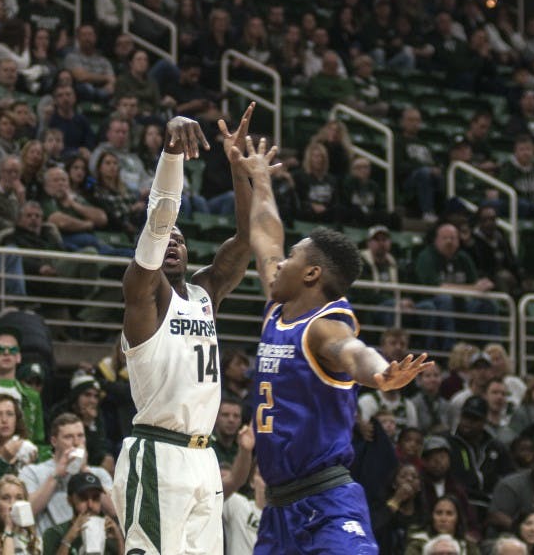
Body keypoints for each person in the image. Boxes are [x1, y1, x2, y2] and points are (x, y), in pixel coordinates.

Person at [231, 134, 431, 554]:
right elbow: (266, 235)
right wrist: (261, 179)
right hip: (279, 510)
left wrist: (379, 373)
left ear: (311, 275)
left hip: (327, 503)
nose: (279, 263)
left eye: (292, 259)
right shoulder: (277, 303)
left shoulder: (324, 326)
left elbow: (353, 352)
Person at [112, 105, 257, 554]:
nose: (171, 240)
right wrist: (171, 153)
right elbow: (158, 221)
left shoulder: (204, 294)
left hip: (205, 457)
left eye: (181, 238)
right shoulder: (143, 296)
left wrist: (237, 169)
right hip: (157, 453)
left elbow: (249, 239)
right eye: (165, 239)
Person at [41, 471, 125, 554]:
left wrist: (119, 540)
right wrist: (68, 540)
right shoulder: (55, 533)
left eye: (95, 498)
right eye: (83, 498)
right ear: (70, 500)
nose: (90, 505)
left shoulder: (110, 533)